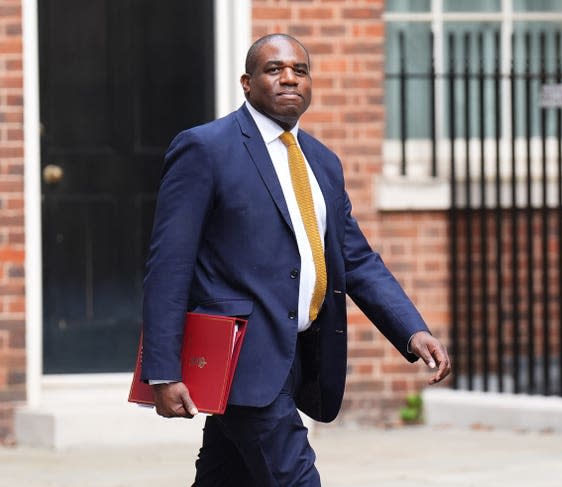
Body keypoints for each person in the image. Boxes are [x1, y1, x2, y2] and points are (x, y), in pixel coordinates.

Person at [141, 33, 451, 487]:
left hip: (298, 356)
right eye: (274, 69)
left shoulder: (322, 163)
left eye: (299, 70)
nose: (289, 78)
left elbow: (357, 259)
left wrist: (411, 329)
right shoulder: (206, 149)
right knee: (296, 478)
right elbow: (168, 265)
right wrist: (163, 370)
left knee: (224, 478)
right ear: (247, 83)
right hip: (240, 357)